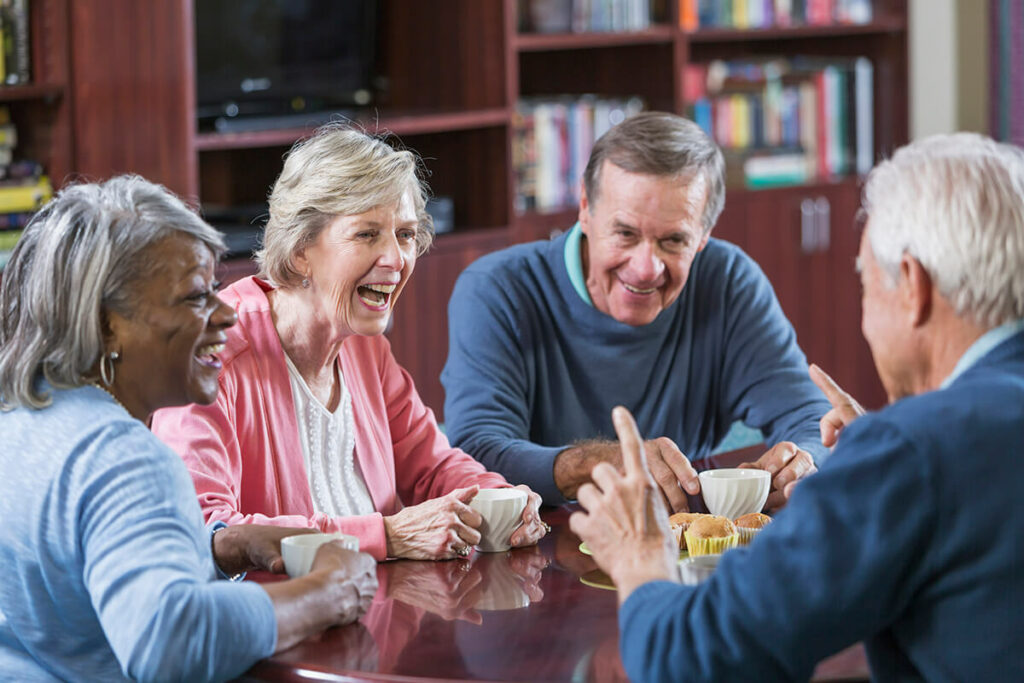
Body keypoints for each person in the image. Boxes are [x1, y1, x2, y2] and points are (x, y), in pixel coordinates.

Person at [571, 133, 1024, 681]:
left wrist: (641, 557)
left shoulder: (911, 450)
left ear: (912, 287)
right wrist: (883, 460)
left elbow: (687, 660)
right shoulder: (917, 449)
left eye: (865, 283)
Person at [0, 176, 379, 681]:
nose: (226, 314)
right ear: (108, 323)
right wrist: (324, 594)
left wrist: (220, 546)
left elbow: (83, 573)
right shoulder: (125, 458)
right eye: (196, 296)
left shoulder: (24, 423)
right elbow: (169, 641)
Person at [151, 124, 547, 561]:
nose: (396, 259)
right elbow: (206, 529)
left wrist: (503, 499)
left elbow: (433, 466)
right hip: (276, 621)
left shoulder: (363, 344)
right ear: (301, 249)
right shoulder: (211, 352)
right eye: (367, 234)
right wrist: (387, 536)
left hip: (370, 611)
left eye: (406, 234)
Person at [443, 111, 828, 510]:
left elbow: (811, 417)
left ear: (703, 236)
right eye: (625, 233)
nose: (645, 269)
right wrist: (598, 463)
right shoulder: (497, 288)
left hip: (686, 548)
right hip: (540, 550)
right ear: (585, 209)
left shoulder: (728, 279)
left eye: (674, 240)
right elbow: (476, 454)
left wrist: (801, 462)